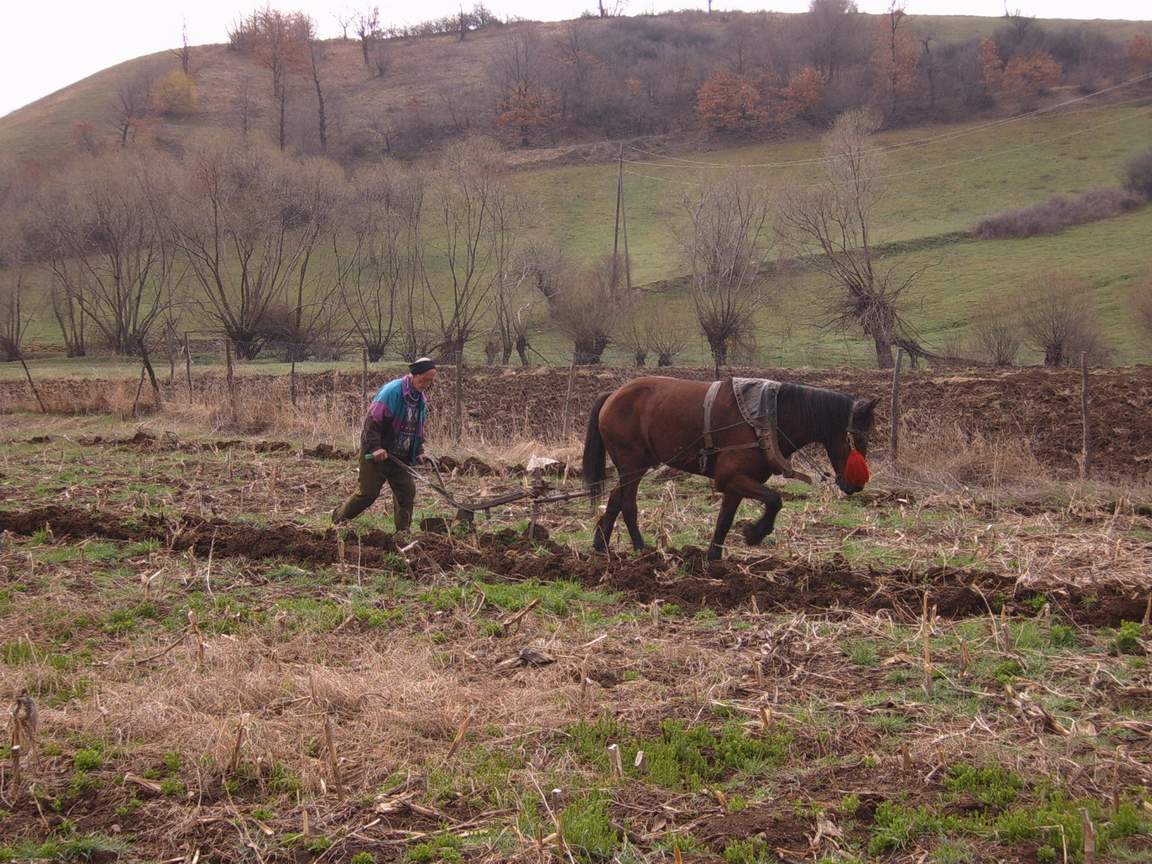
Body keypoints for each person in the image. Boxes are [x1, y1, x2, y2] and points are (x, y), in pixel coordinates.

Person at [332, 358, 438, 528]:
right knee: (367, 494)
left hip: (399, 457)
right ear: (414, 374)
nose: (427, 383)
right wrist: (376, 448)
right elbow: (372, 422)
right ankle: (338, 518)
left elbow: (417, 429)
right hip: (377, 454)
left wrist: (419, 451)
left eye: (431, 380)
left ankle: (402, 534)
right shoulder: (393, 392)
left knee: (406, 493)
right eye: (425, 379)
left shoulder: (420, 399)